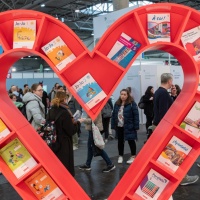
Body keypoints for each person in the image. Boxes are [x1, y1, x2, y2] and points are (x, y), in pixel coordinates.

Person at [152, 73, 199, 186]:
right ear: (169, 81)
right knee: (174, 153)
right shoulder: (163, 94)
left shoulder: (160, 92)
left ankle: (178, 177)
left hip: (159, 126)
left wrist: (173, 96)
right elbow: (165, 113)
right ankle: (182, 178)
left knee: (170, 153)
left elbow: (166, 108)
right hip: (163, 128)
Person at [47, 91, 75, 176]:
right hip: (64, 142)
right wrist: (78, 124)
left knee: (56, 164)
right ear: (65, 99)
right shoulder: (65, 112)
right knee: (65, 166)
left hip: (53, 141)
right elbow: (71, 130)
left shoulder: (51, 110)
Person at [111, 88, 139, 164]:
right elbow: (114, 115)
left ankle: (133, 156)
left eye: (124, 94)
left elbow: (136, 115)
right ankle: (120, 155)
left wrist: (136, 126)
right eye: (121, 94)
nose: (123, 96)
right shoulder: (117, 104)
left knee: (131, 140)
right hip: (119, 126)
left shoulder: (132, 103)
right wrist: (113, 125)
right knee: (120, 141)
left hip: (129, 125)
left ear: (127, 95)